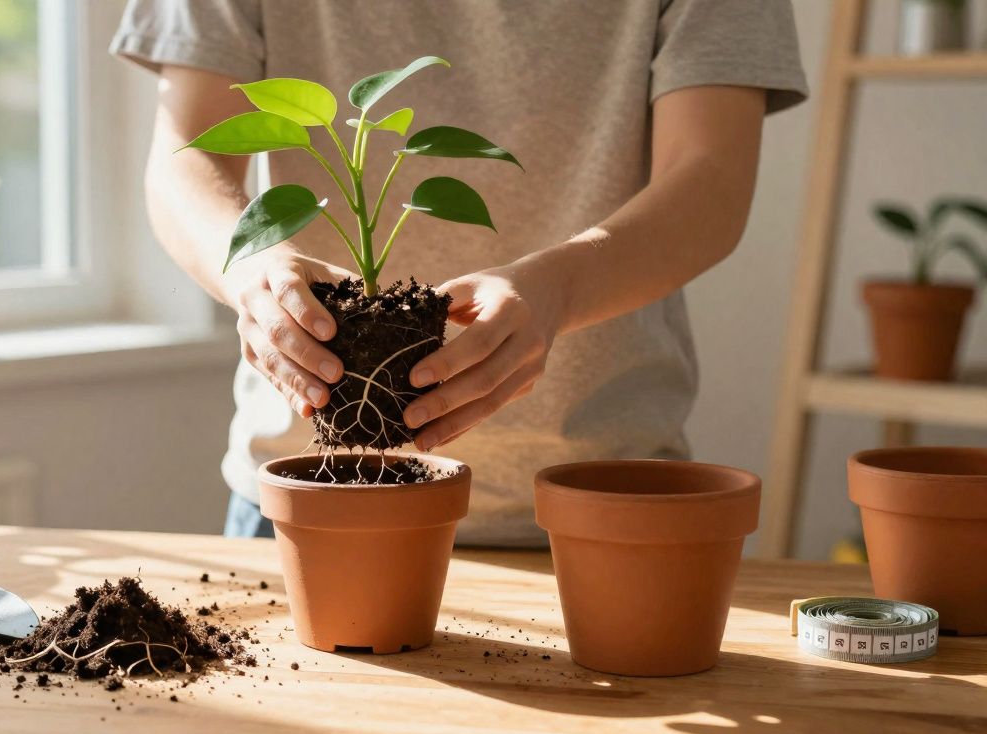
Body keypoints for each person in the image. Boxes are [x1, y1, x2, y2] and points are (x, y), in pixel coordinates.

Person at [112, 0, 808, 546]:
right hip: (311, 494)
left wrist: (558, 289)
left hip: (596, 503)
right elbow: (187, 154)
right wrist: (254, 268)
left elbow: (709, 180)